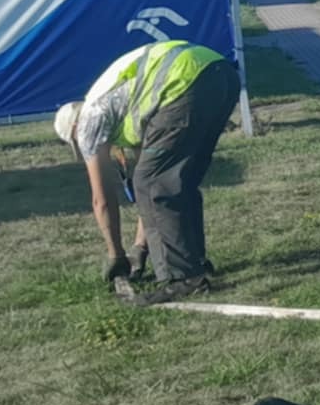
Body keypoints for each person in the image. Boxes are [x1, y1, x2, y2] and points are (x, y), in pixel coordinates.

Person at [52, 39, 240, 303]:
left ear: (74, 132)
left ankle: (181, 278)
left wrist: (116, 255)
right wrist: (140, 248)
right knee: (179, 183)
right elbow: (153, 185)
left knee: (152, 183)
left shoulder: (88, 122)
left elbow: (102, 200)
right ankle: (195, 263)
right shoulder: (123, 106)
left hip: (183, 82)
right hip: (219, 74)